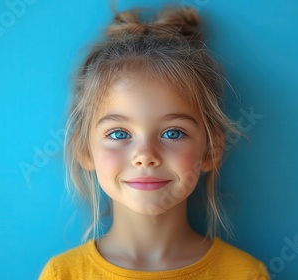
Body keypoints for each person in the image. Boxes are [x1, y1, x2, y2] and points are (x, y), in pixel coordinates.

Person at [39, 5, 269, 280]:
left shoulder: (244, 274)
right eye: (119, 134)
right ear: (84, 150)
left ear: (211, 151)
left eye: (173, 133)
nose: (145, 155)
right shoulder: (63, 275)